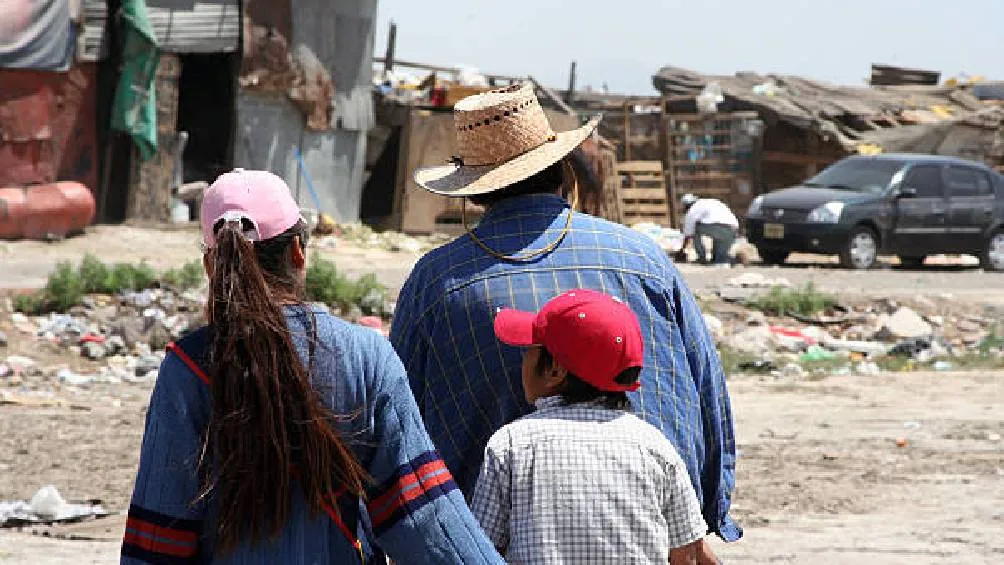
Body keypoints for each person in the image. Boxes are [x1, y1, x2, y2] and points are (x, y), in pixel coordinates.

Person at [390, 83, 740, 559]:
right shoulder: (643, 259)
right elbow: (705, 391)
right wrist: (709, 516)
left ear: (476, 195)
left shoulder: (439, 280)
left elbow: (395, 420)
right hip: (653, 534)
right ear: (561, 170)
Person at [121, 169, 503, 564]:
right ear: (298, 254)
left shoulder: (188, 369)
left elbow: (159, 532)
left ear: (210, 267)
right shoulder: (367, 356)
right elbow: (425, 514)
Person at [471, 289, 709, 564]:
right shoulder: (654, 446)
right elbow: (686, 556)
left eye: (530, 351)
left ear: (554, 371)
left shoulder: (510, 445)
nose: (523, 361)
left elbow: (481, 552)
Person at [680, 193, 740, 265]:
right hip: (733, 229)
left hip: (720, 228)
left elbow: (688, 234)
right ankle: (723, 259)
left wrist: (682, 250)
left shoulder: (692, 210)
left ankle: (702, 258)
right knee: (720, 260)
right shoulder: (711, 202)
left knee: (695, 230)